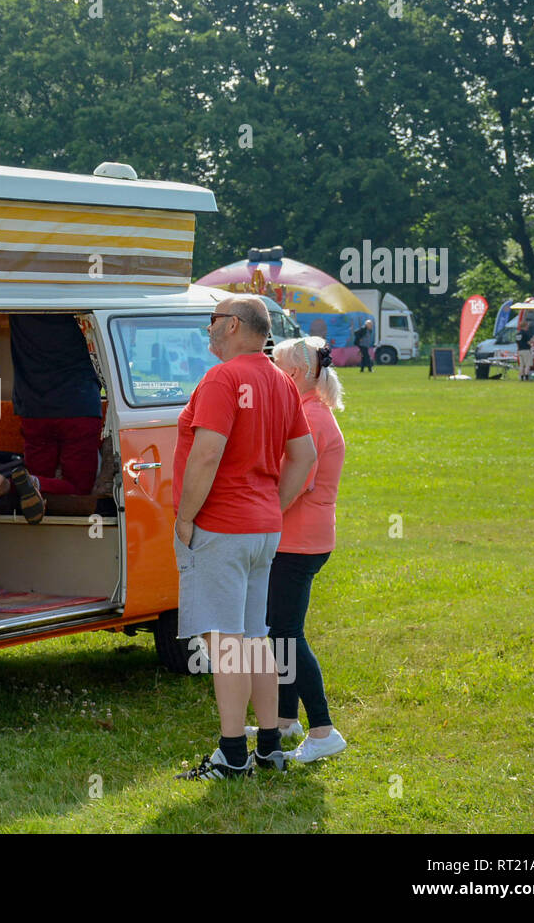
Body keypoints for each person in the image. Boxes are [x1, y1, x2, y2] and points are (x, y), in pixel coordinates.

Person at [173, 295, 317, 780]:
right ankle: (270, 745)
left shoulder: (223, 377)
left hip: (222, 525)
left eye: (212, 321)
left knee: (226, 643)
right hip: (262, 528)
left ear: (231, 325)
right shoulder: (280, 379)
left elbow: (207, 453)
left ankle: (233, 754)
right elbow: (305, 457)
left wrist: (186, 516)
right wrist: (274, 506)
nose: (208, 330)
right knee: (255, 638)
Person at [259, 336, 348, 763]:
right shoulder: (312, 410)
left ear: (292, 374)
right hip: (303, 539)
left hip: (298, 542)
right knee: (282, 630)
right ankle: (284, 719)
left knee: (286, 633)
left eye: (273, 366)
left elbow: (296, 482)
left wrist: (259, 513)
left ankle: (323, 730)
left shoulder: (310, 417)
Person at [6, 314, 104, 520]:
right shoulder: (81, 304)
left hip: (33, 407)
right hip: (79, 405)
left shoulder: (17, 300)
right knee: (78, 489)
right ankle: (34, 482)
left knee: (33, 494)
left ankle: (9, 483)